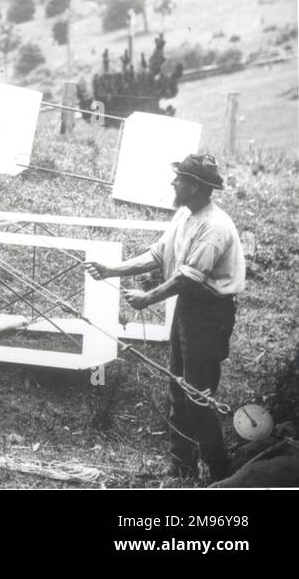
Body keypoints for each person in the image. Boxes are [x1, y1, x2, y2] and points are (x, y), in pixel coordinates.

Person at [84, 153, 245, 481]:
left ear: (195, 186)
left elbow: (187, 277)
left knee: (197, 395)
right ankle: (182, 467)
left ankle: (219, 472)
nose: (173, 183)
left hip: (210, 316)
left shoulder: (215, 226)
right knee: (177, 389)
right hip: (188, 310)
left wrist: (147, 298)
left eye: (180, 179)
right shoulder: (184, 215)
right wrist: (110, 270)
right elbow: (159, 254)